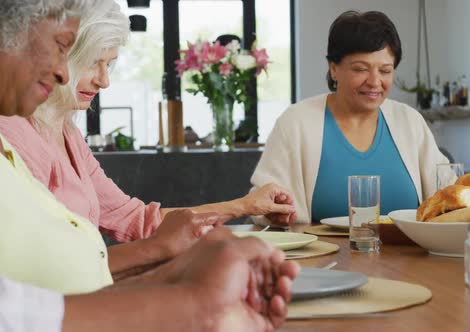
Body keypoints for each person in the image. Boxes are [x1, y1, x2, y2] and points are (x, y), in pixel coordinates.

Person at [0, 1, 298, 330]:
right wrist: (172, 270)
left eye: (109, 64)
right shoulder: (13, 131)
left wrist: (243, 205)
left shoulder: (67, 134)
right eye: (92, 62)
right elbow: (44, 280)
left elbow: (137, 220)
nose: (103, 81)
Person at [250, 10, 448, 224]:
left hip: (411, 257)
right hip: (322, 256)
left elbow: (451, 194)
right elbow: (262, 202)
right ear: (334, 69)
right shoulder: (296, 122)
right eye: (361, 69)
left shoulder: (410, 121)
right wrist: (274, 214)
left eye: (385, 70)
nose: (374, 81)